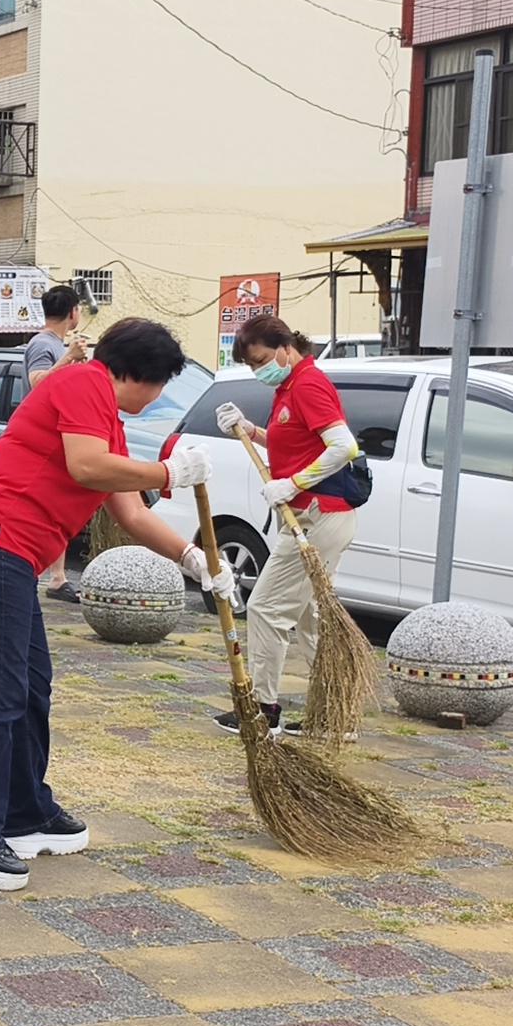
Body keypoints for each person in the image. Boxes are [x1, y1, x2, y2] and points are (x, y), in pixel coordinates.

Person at [0, 318, 232, 892]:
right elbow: (85, 468)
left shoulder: (105, 421)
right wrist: (168, 471)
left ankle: (23, 811)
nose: (160, 397)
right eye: (162, 385)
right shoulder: (80, 384)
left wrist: (197, 561)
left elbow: (132, 513)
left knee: (30, 684)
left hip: (10, 552)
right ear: (140, 375)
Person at [212, 316, 361, 737]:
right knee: (311, 617)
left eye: (261, 360)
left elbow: (342, 446)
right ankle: (334, 715)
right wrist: (250, 430)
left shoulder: (309, 384)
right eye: (251, 365)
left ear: (285, 347)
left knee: (264, 608)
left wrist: (292, 484)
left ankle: (262, 707)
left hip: (318, 514)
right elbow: (296, 444)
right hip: (313, 513)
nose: (259, 370)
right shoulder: (289, 387)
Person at [23, 284, 91, 604]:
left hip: (58, 434)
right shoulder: (42, 343)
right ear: (73, 312)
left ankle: (57, 576)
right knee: (44, 509)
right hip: (43, 438)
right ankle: (50, 575)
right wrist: (69, 358)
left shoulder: (55, 344)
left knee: (56, 508)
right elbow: (38, 383)